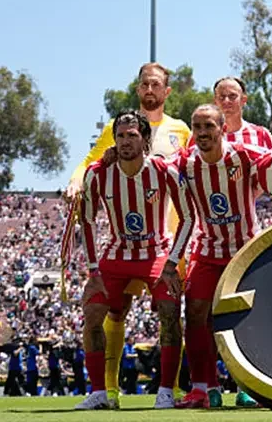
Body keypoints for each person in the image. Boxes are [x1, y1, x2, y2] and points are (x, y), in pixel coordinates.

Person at [65, 63, 191, 409]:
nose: (124, 141)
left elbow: (189, 212)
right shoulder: (100, 173)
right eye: (120, 136)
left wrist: (173, 262)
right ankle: (101, 391)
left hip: (158, 251)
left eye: (131, 136)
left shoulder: (167, 163)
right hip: (117, 254)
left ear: (144, 139)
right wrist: (93, 271)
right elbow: (87, 220)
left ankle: (167, 390)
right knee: (95, 312)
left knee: (170, 311)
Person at [173, 104, 264, 410]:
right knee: (195, 312)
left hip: (245, 250)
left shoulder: (245, 155)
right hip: (208, 250)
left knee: (247, 316)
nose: (202, 132)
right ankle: (203, 387)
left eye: (209, 126)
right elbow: (153, 165)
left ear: (223, 129)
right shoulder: (185, 162)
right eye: (197, 127)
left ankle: (247, 386)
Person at [213, 76, 272, 148]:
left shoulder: (261, 135)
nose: (226, 101)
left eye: (232, 96)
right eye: (221, 97)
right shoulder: (205, 137)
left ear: (243, 100)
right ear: (215, 101)